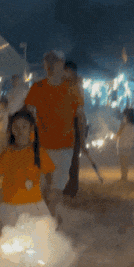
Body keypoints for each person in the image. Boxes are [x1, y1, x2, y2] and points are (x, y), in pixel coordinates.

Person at [23, 50, 84, 209]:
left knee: (53, 187)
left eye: (53, 62)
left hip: (61, 146)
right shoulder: (39, 87)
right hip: (46, 146)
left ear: (60, 64)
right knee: (48, 186)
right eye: (48, 62)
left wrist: (82, 141)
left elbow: (80, 116)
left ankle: (49, 216)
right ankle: (49, 215)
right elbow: (27, 114)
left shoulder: (70, 88)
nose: (49, 65)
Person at [0, 109, 55, 226]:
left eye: (24, 126)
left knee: (33, 232)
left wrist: (49, 187)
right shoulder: (8, 152)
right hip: (11, 204)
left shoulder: (37, 151)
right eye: (16, 127)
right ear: (11, 129)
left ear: (31, 128)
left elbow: (49, 171)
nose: (20, 130)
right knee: (11, 232)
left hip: (32, 203)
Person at [63, 61, 87, 197]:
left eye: (65, 71)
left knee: (72, 158)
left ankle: (72, 186)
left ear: (71, 71)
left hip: (75, 123)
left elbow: (79, 110)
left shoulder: (76, 86)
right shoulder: (68, 85)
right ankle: (70, 184)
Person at [116, 108, 134, 181]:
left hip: (122, 144)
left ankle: (123, 176)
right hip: (128, 144)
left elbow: (119, 132)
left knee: (122, 161)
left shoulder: (124, 122)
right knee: (126, 161)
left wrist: (115, 136)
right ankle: (125, 176)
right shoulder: (132, 124)